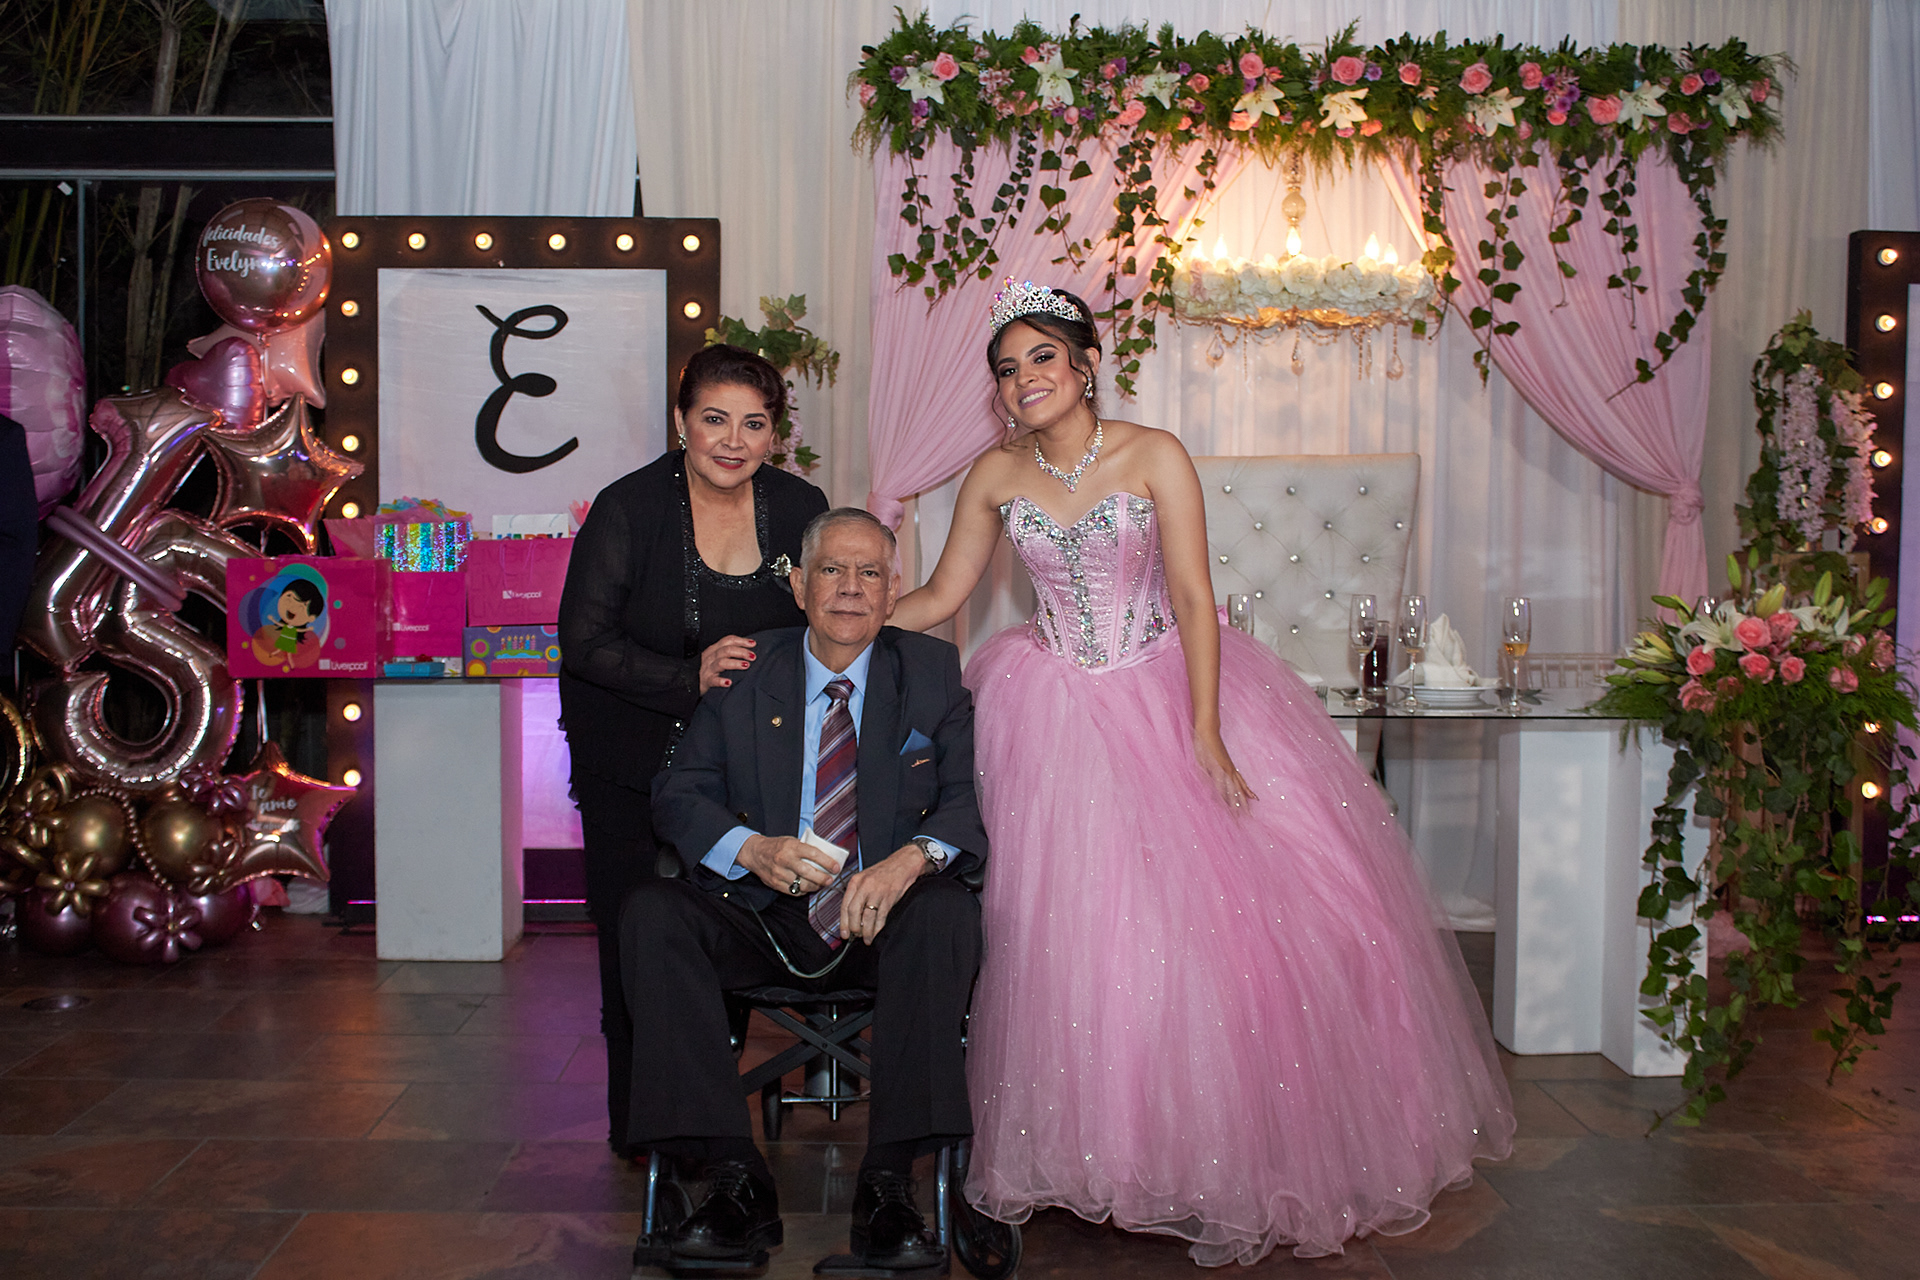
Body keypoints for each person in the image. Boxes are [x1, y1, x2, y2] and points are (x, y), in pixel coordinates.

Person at [887, 281, 1516, 1264]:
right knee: (1066, 937)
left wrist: (1207, 728)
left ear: (1086, 362)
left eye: (1042, 357)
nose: (1023, 380)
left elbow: (1191, 595)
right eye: (1007, 369)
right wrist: (838, 620)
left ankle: (1207, 1150)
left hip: (1162, 684)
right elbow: (940, 593)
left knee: (1218, 925)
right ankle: (1093, 1151)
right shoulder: (994, 474)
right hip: (1045, 707)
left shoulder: (1154, 453)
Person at [634, 507, 988, 1268]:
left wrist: (906, 863)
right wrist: (751, 849)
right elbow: (679, 792)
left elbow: (965, 802)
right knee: (653, 915)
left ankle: (890, 1188)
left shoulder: (930, 671)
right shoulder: (746, 669)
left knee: (946, 913)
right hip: (764, 912)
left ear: (893, 591)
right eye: (832, 570)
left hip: (883, 917)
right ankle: (734, 1181)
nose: (850, 588)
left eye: (870, 573)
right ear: (799, 586)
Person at [557, 344, 829, 1157]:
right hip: (631, 760)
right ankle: (644, 1130)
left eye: (754, 423)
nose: (733, 441)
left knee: (733, 936)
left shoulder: (800, 506)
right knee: (635, 939)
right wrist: (688, 676)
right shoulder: (629, 507)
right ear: (682, 423)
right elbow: (583, 641)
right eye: (715, 419)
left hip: (748, 770)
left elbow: (830, 618)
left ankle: (713, 1118)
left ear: (775, 433)